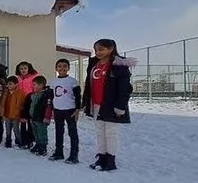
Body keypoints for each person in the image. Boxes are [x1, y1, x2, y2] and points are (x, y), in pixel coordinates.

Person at [83, 39, 135, 171]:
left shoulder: (119, 65)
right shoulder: (94, 63)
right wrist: (85, 103)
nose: (98, 52)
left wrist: (120, 106)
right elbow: (89, 85)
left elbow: (125, 88)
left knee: (111, 133)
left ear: (111, 48)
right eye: (96, 50)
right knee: (99, 133)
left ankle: (111, 161)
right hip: (96, 104)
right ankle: (101, 158)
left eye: (101, 49)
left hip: (111, 106)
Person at [49, 59, 81, 164]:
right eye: (59, 66)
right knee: (59, 132)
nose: (62, 68)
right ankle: (59, 152)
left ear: (68, 68)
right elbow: (51, 96)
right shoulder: (53, 81)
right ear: (56, 68)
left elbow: (78, 96)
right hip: (58, 110)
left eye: (64, 66)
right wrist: (52, 109)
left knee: (72, 132)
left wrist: (77, 109)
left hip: (70, 110)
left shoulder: (73, 81)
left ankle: (74, 155)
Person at [21, 75, 53, 156]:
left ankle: (43, 146)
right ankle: (38, 144)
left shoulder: (45, 95)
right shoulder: (32, 95)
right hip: (33, 118)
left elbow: (48, 107)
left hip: (41, 118)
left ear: (41, 85)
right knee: (35, 132)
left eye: (34, 84)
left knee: (42, 133)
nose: (33, 86)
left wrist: (47, 117)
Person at [15, 61, 39, 149]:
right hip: (21, 102)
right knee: (22, 122)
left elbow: (36, 88)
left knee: (30, 122)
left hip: (30, 101)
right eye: (21, 69)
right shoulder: (18, 78)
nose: (23, 70)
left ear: (29, 68)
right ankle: (23, 140)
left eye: (25, 68)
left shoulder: (34, 77)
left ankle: (30, 140)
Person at [0, 75, 25, 148]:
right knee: (8, 129)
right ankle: (8, 141)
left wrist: (21, 113)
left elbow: (23, 104)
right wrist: (2, 112)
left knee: (16, 130)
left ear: (16, 84)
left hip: (16, 115)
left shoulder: (20, 93)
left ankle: (18, 141)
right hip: (7, 114)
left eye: (10, 84)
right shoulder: (6, 92)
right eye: (7, 84)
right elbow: (2, 103)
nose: (8, 85)